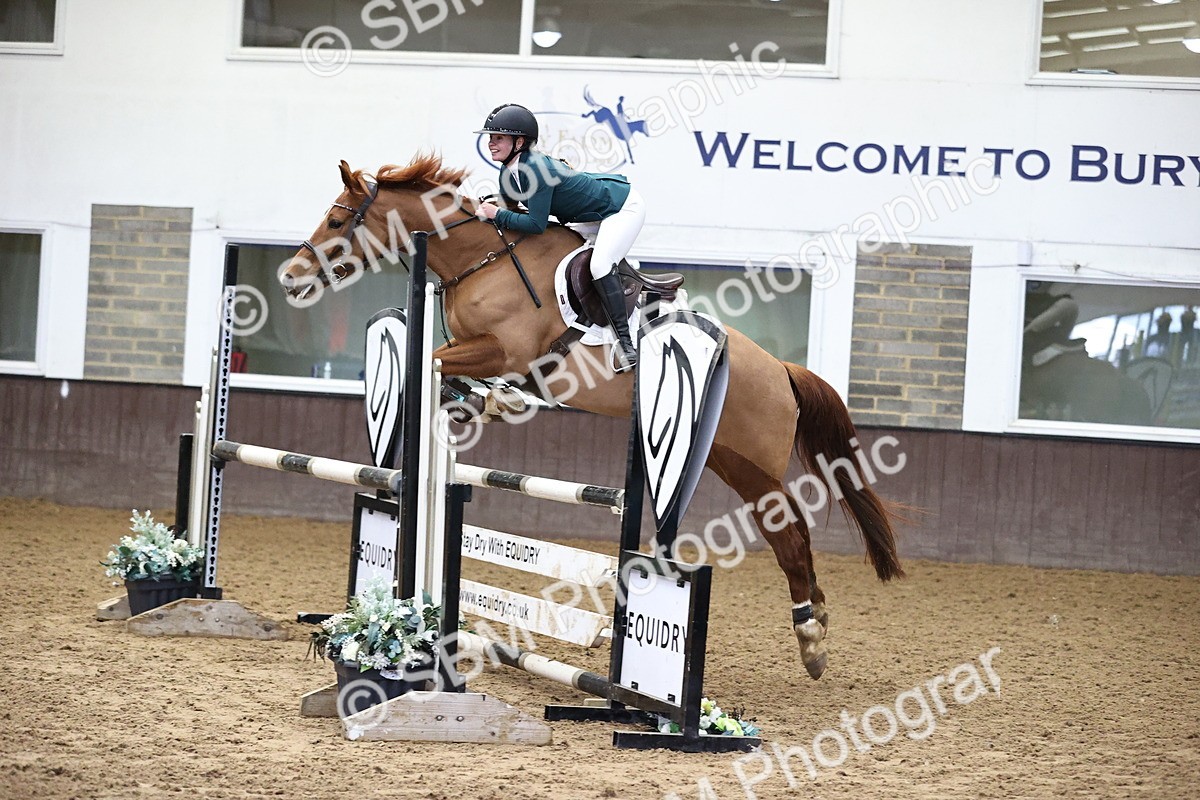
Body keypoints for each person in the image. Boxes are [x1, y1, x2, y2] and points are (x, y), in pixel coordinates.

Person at [473, 103, 645, 372]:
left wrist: (496, 213)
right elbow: (508, 210)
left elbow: (535, 224)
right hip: (587, 216)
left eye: (498, 138)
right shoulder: (508, 171)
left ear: (519, 142)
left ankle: (626, 344)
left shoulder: (538, 170)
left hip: (620, 208)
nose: (491, 144)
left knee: (600, 265)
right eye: (490, 138)